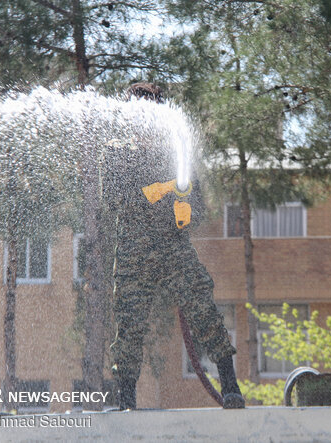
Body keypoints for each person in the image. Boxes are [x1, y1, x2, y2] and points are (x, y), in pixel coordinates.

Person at [102, 82, 245, 410]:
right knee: (130, 322)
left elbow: (198, 202)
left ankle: (231, 384)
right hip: (134, 249)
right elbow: (113, 199)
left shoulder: (177, 150)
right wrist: (156, 190)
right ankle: (126, 398)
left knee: (202, 305)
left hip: (173, 245)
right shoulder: (116, 150)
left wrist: (186, 210)